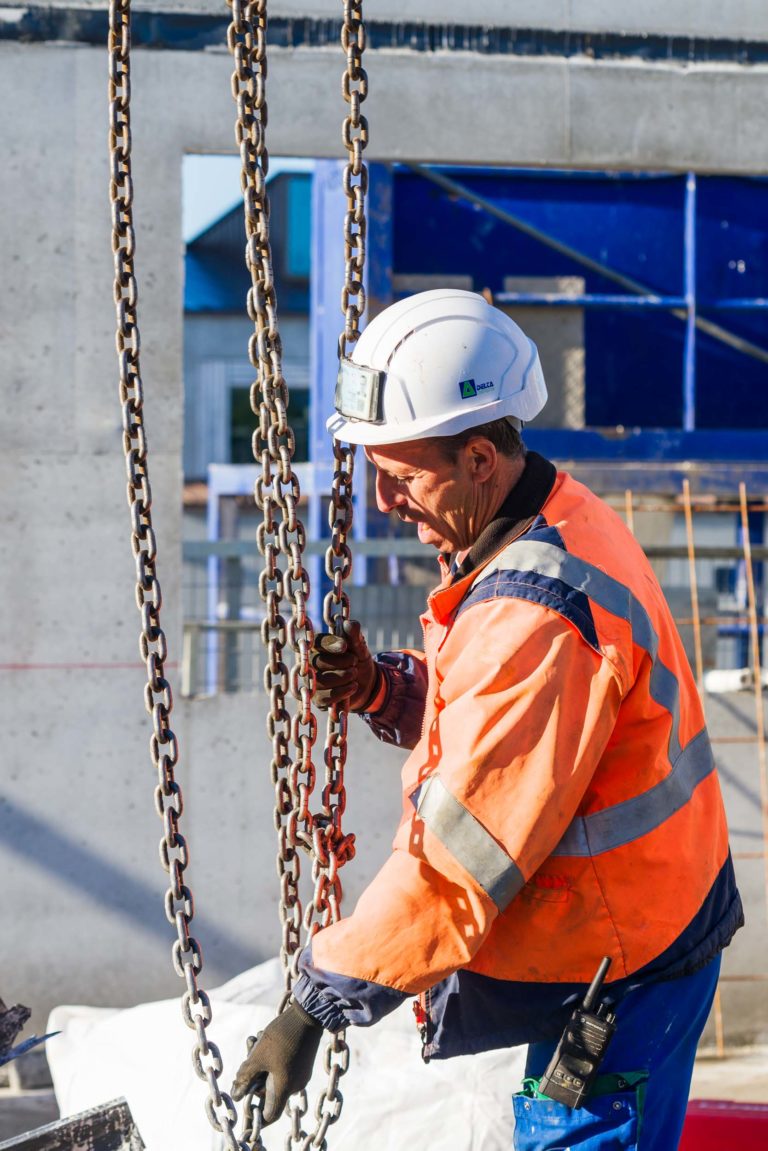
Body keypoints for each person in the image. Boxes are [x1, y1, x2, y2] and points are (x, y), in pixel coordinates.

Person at [232, 289, 743, 1149]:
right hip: (630, 929)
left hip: (626, 964)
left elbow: (454, 860)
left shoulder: (536, 610)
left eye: (400, 477)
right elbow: (517, 731)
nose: (387, 503)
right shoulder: (551, 521)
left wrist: (312, 1002)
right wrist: (383, 689)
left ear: (477, 457)